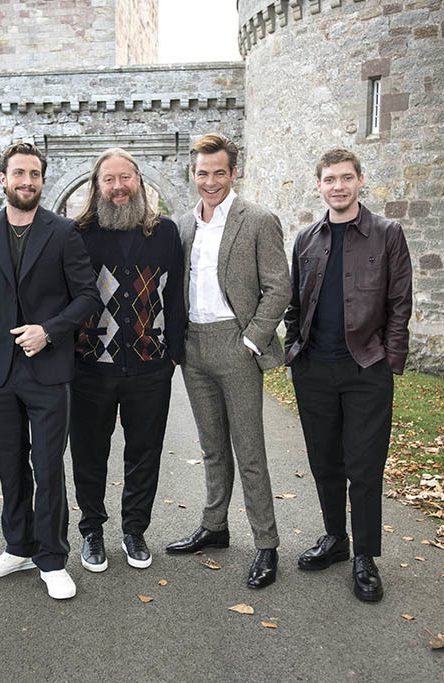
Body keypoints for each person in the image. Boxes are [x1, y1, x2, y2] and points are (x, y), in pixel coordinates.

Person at [0, 142, 100, 600]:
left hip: (49, 370)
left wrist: (50, 331)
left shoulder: (63, 232)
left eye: (35, 174)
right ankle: (17, 547)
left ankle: (52, 558)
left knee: (48, 465)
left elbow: (87, 297)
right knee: (10, 464)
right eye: (19, 173)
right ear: (4, 179)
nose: (27, 182)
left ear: (42, 180)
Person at [284, 148, 413, 602]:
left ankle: (365, 557)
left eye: (346, 178)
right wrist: (294, 352)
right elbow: (295, 305)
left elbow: (400, 305)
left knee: (364, 467)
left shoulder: (386, 234)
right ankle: (336, 539)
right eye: (329, 179)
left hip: (366, 368)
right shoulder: (306, 239)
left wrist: (388, 362)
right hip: (314, 369)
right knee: (325, 461)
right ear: (319, 185)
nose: (338, 186)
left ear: (360, 181)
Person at [166, 133, 291, 590]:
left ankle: (267, 543)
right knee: (212, 446)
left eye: (220, 172)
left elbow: (279, 287)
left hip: (236, 345)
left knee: (249, 451)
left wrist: (251, 342)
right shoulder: (182, 226)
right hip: (193, 348)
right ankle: (215, 526)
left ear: (233, 173)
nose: (211, 180)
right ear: (192, 174)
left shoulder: (257, 220)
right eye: (203, 172)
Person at [70, 148, 185, 573]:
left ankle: (134, 530)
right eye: (109, 180)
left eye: (126, 178)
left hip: (150, 365)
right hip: (90, 365)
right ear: (96, 187)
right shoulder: (77, 234)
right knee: (88, 451)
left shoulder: (166, 233)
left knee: (144, 451)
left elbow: (174, 296)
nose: (119, 187)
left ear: (139, 181)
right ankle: (92, 531)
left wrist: (174, 352)